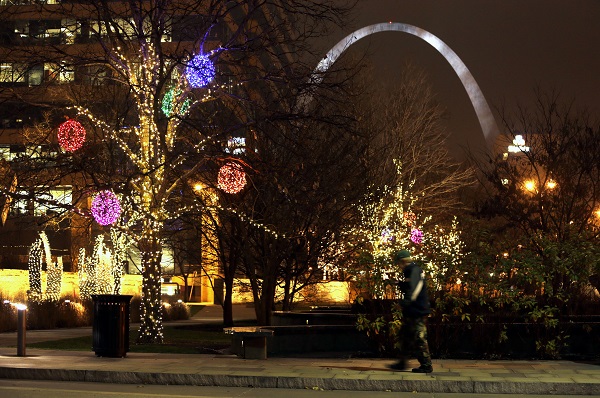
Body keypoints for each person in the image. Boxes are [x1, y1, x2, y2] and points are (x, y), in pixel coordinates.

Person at [389, 249, 433, 373]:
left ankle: (426, 365)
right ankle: (402, 363)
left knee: (419, 337)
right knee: (406, 336)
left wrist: (404, 303)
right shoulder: (413, 271)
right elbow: (413, 286)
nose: (398, 266)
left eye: (398, 263)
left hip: (417, 310)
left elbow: (413, 291)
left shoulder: (413, 270)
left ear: (402, 262)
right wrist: (401, 284)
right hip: (415, 309)